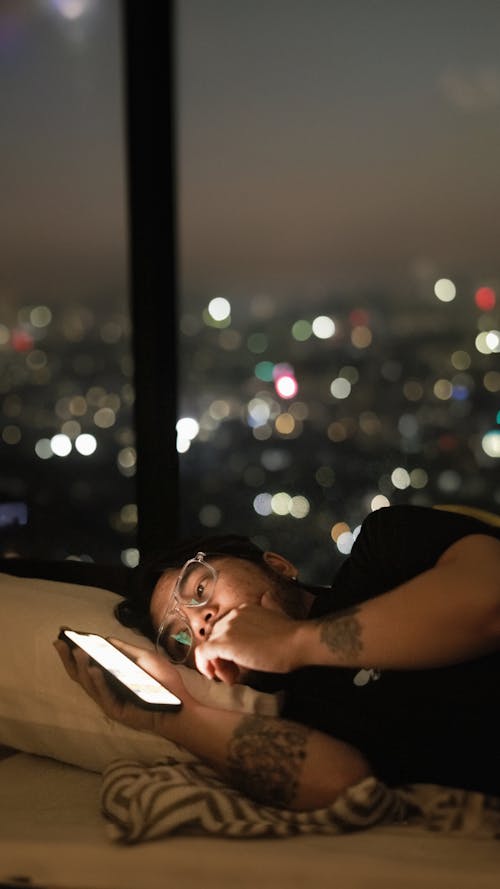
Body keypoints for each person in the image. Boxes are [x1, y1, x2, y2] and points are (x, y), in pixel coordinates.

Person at [55, 504, 500, 811]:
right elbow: (345, 786)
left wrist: (293, 641)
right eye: (181, 639)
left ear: (278, 565)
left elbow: (489, 601)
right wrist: (169, 716)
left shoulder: (384, 547)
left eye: (200, 590)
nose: (201, 622)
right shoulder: (289, 715)